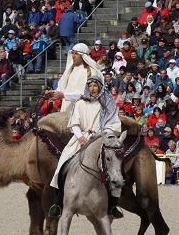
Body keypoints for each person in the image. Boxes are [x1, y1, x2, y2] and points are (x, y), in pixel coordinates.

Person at [48, 77, 123, 219]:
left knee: (114, 167)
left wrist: (101, 136)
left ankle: (113, 205)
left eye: (95, 85)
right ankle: (57, 204)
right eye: (91, 86)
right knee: (63, 164)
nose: (93, 88)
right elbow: (74, 124)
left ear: (100, 87)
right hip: (80, 139)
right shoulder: (81, 103)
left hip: (101, 140)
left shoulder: (107, 104)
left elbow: (113, 124)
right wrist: (81, 137)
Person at [48, 43, 103, 111]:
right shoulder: (70, 70)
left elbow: (85, 93)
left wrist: (64, 96)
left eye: (76, 54)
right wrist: (52, 93)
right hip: (67, 109)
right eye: (72, 53)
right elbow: (61, 88)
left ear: (83, 56)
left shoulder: (90, 72)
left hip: (82, 111)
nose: (73, 56)